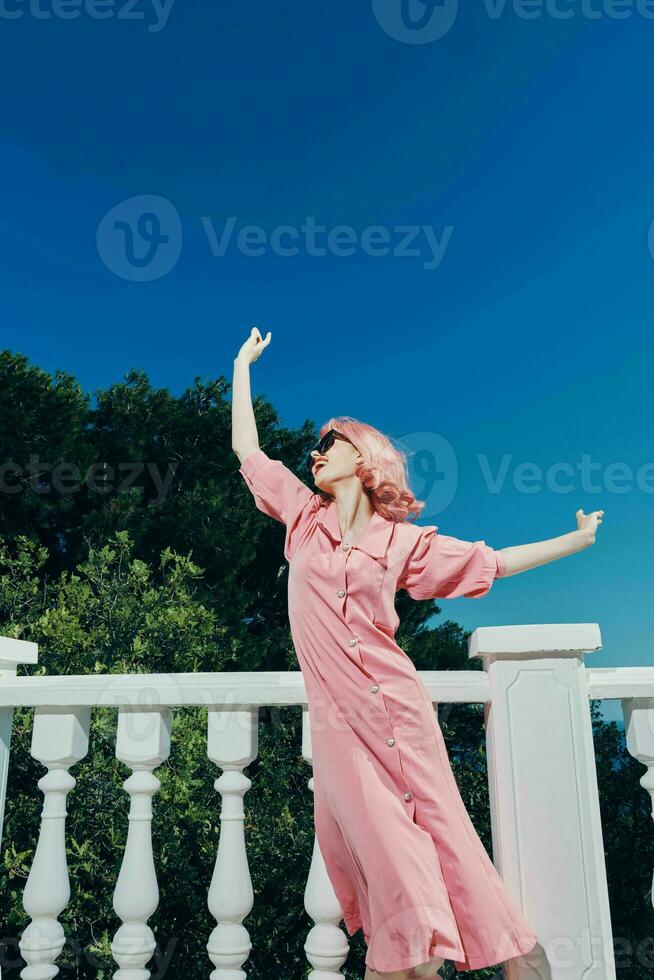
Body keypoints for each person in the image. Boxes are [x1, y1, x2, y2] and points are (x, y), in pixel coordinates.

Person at [232, 326, 604, 979]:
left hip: (401, 713)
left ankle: (518, 960)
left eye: (330, 444)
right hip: (343, 729)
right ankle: (426, 962)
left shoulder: (402, 542)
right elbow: (248, 450)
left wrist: (574, 543)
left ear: (364, 458)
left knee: (450, 843)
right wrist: (241, 369)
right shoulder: (302, 520)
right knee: (390, 857)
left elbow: (487, 563)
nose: (315, 454)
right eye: (315, 447)